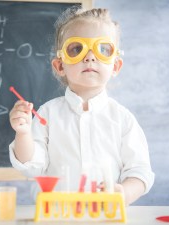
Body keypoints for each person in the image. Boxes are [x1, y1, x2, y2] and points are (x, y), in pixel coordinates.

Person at [9, 7, 154, 206]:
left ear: (116, 66)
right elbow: (31, 167)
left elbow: (140, 171)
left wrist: (125, 193)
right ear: (60, 66)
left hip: (105, 217)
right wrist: (23, 133)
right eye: (77, 49)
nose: (90, 57)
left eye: (103, 49)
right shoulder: (47, 114)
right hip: (56, 218)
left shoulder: (123, 119)